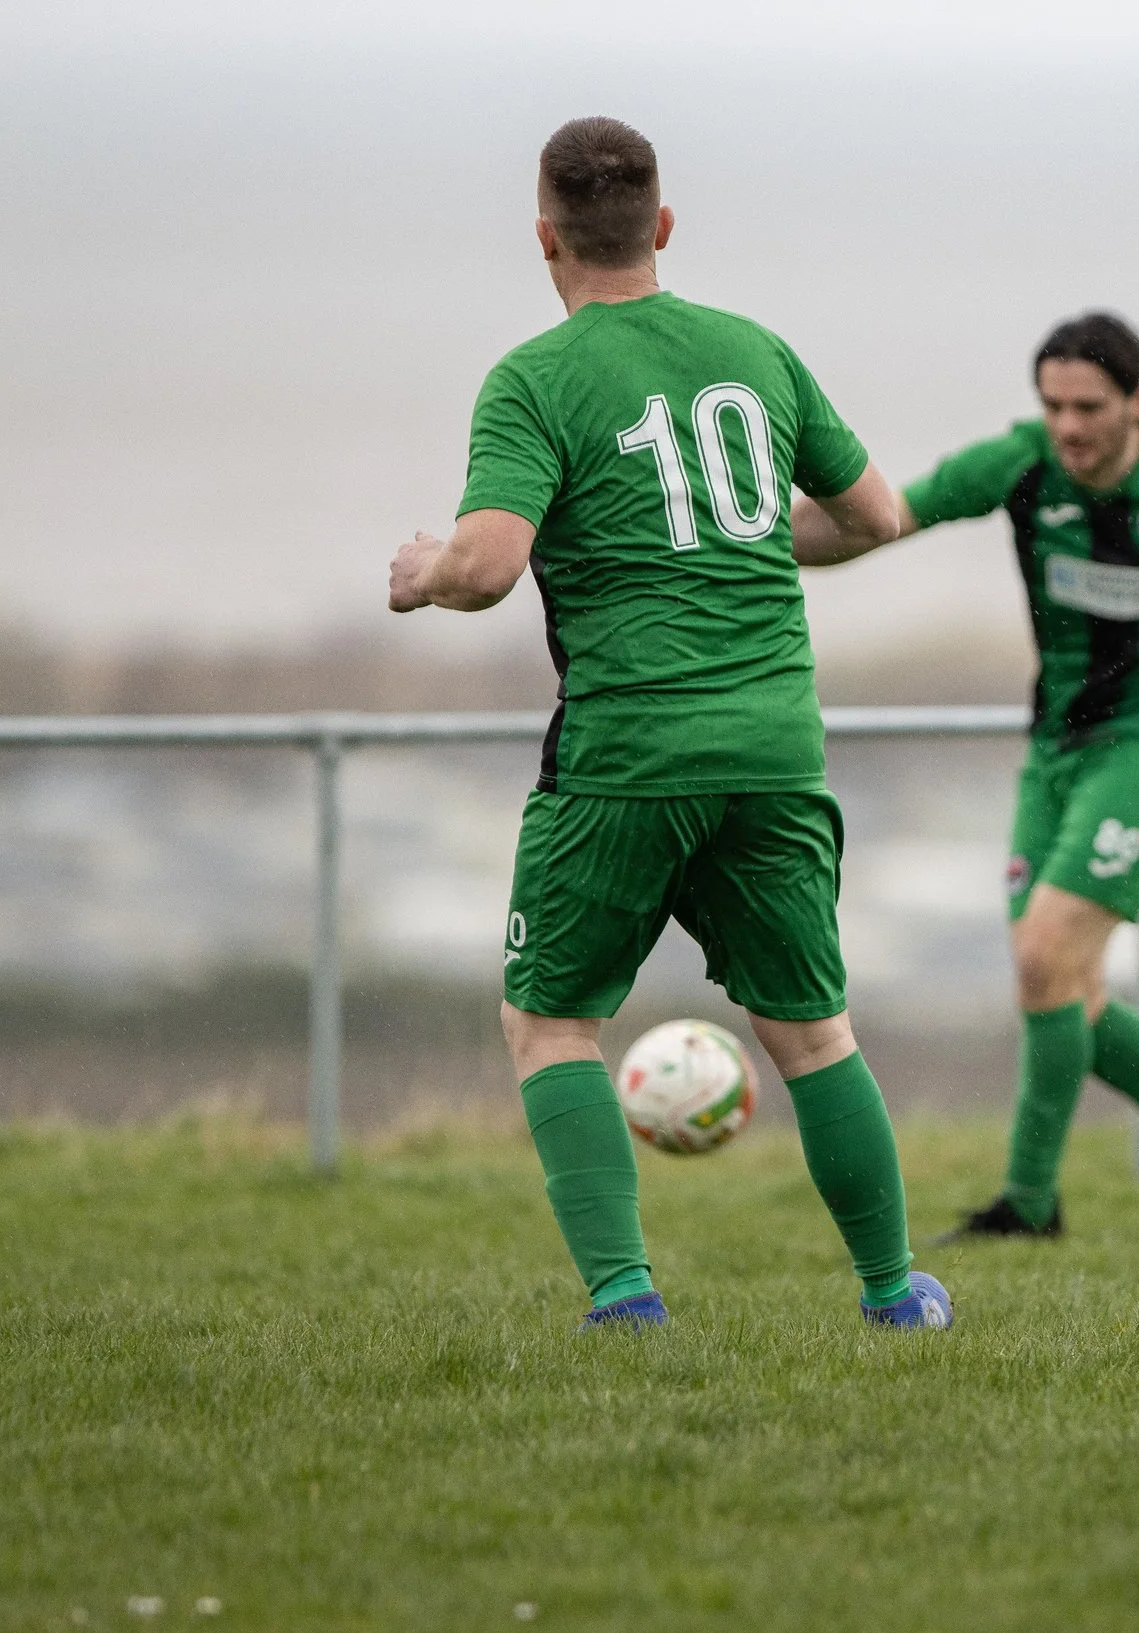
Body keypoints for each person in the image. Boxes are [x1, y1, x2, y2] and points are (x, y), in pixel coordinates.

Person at [387, 117, 951, 1331]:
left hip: (629, 754)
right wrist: (745, 538)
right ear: (663, 227)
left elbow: (489, 568)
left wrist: (424, 570)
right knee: (811, 1034)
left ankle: (625, 1299)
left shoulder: (533, 379)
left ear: (545, 237)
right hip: (773, 748)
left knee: (549, 1024)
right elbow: (874, 518)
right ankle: (893, 1293)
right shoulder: (755, 350)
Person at [807, 313, 1139, 1245]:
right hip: (1054, 756)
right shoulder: (1019, 465)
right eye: (1052, 406)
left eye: (1088, 407)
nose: (1068, 427)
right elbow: (878, 521)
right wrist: (743, 539)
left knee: (1045, 955)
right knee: (1066, 991)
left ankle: (1030, 1204)